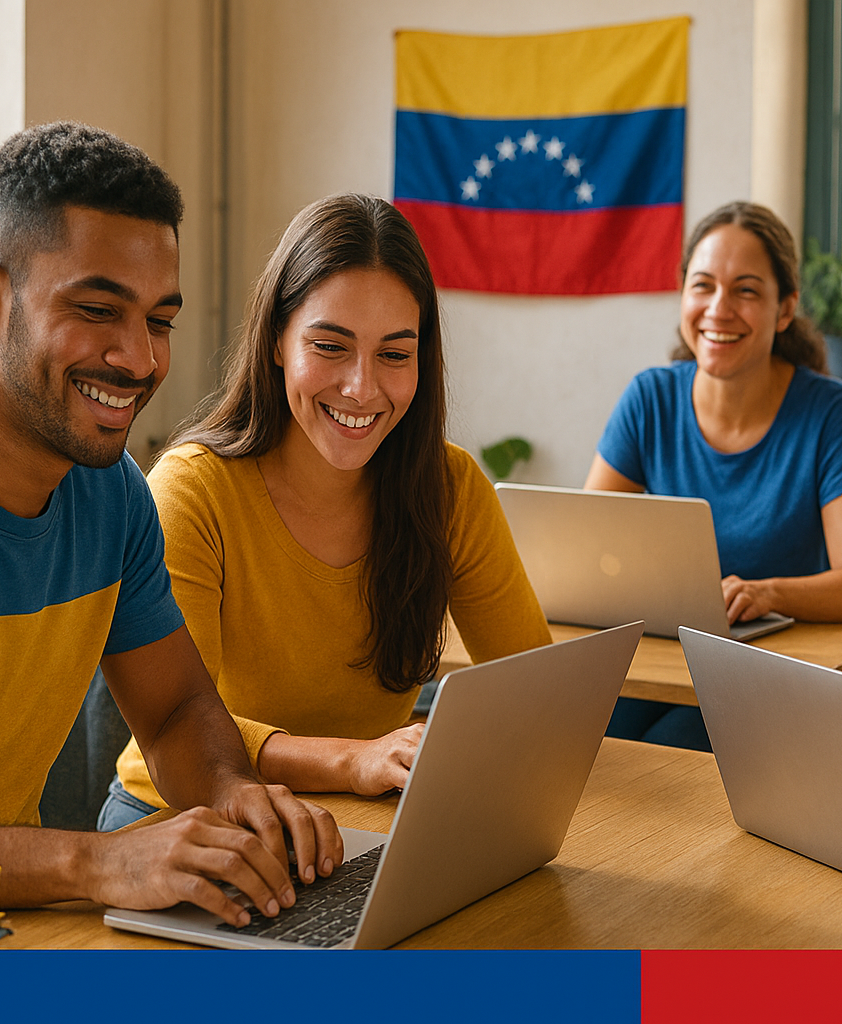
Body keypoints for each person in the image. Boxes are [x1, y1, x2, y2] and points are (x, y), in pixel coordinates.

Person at [0, 122, 340, 929]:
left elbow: (174, 714)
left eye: (159, 320)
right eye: (98, 309)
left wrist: (238, 799)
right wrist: (91, 859)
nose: (139, 360)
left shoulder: (113, 496)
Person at [97, 194, 552, 830]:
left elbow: (539, 691)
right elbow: (170, 736)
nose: (362, 388)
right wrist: (351, 760)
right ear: (278, 341)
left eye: (394, 354)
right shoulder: (194, 491)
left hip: (364, 823)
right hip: (185, 817)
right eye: (331, 346)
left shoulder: (450, 488)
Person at [586, 202, 842, 750]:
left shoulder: (833, 414)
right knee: (571, 735)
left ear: (784, 309)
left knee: (666, 757)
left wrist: (767, 593)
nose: (719, 309)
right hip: (667, 657)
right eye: (702, 286)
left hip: (772, 672)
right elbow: (586, 549)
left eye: (746, 291)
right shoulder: (649, 398)